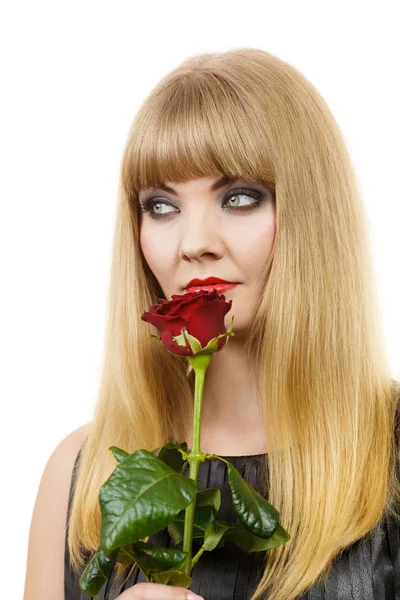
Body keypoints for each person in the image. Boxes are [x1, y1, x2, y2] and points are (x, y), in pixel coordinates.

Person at [23, 47, 400, 600]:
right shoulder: (81, 473)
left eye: (239, 198)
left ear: (310, 213)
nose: (194, 243)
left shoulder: (389, 455)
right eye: (161, 206)